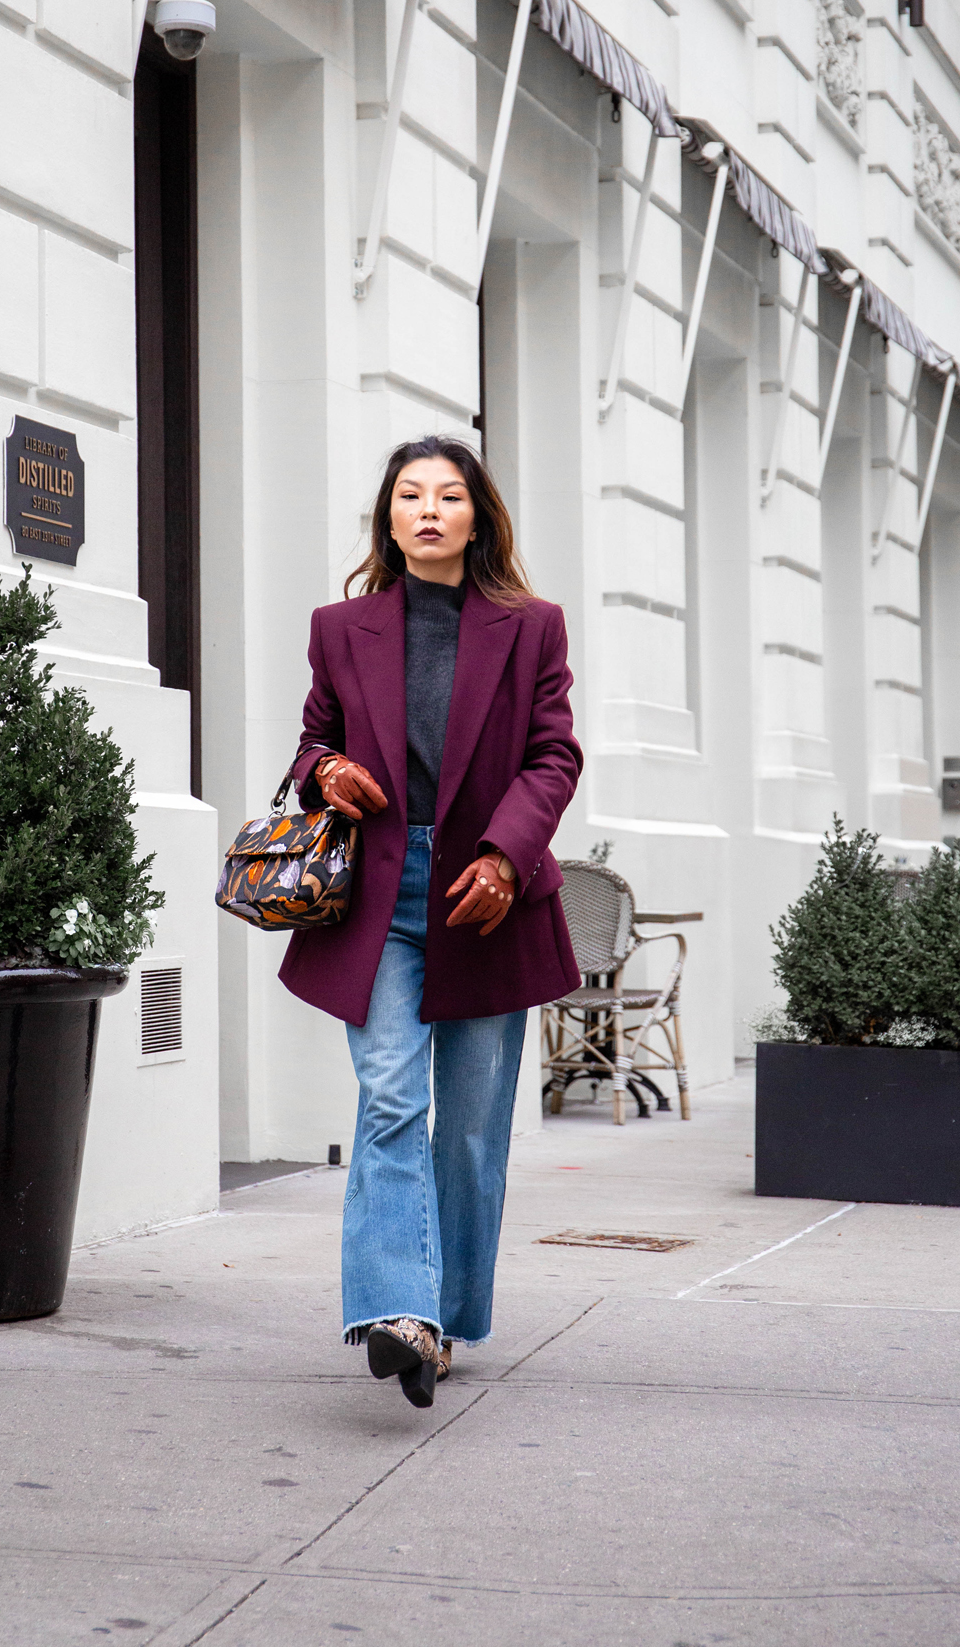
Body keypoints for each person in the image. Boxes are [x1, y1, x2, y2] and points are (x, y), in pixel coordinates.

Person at [279, 435, 583, 1409]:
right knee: (392, 1097)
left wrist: (505, 853)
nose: (428, 509)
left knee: (470, 1133)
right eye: (410, 494)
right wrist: (323, 770)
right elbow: (313, 738)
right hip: (378, 895)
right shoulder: (341, 627)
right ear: (389, 516)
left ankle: (445, 1316)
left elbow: (554, 756)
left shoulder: (531, 626)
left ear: (476, 516)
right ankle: (397, 1311)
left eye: (448, 495)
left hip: (485, 897)